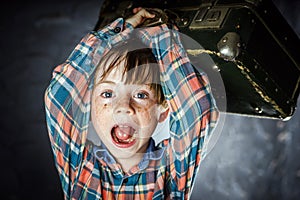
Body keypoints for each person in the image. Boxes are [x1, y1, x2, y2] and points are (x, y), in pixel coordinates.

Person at [44, 7, 219, 199]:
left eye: (141, 95)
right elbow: (60, 96)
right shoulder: (79, 166)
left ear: (162, 108)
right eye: (108, 93)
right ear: (90, 104)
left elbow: (198, 109)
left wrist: (159, 35)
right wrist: (122, 32)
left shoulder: (170, 170)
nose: (124, 107)